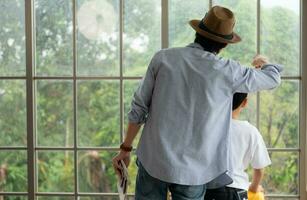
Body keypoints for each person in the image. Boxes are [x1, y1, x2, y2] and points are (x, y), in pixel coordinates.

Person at [112, 5, 282, 200]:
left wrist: (125, 148)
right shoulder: (227, 70)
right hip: (194, 171)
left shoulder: (163, 58)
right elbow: (272, 79)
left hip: (154, 160)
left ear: (198, 33)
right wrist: (263, 61)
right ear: (225, 44)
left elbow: (139, 107)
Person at [204, 92, 271, 200]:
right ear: (244, 102)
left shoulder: (208, 127)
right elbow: (259, 169)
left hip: (210, 189)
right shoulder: (250, 131)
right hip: (237, 190)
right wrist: (253, 188)